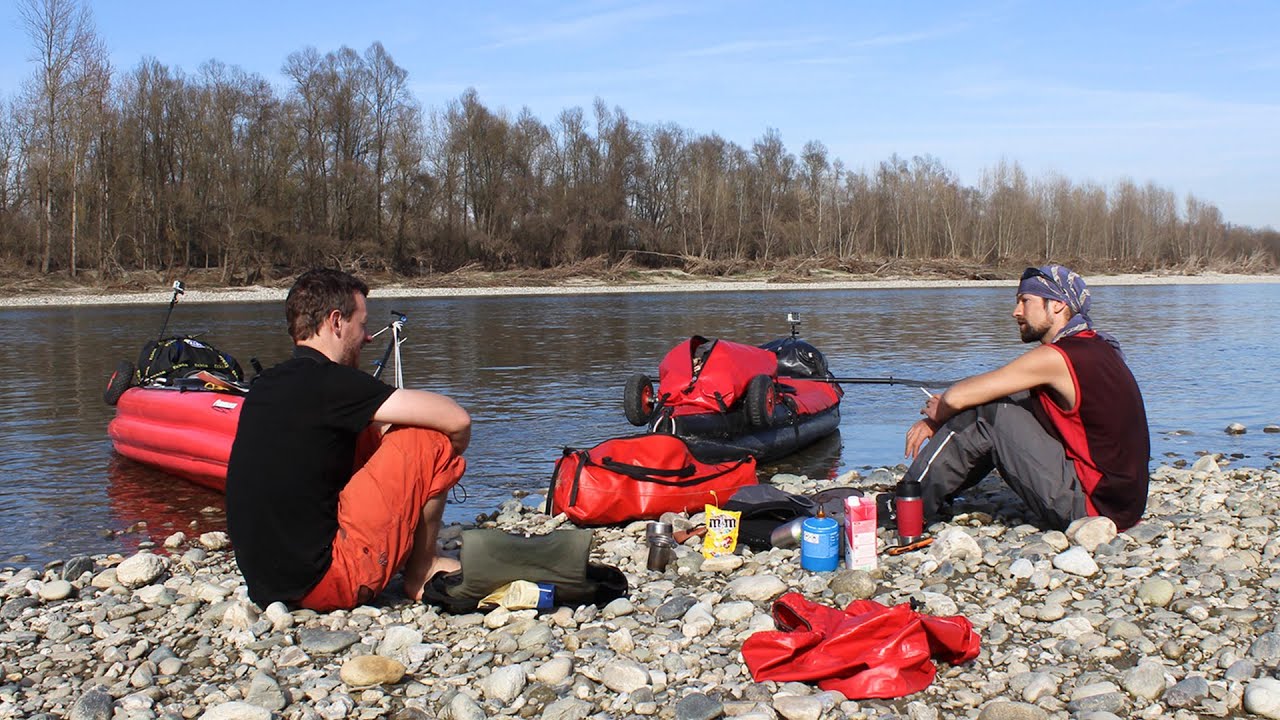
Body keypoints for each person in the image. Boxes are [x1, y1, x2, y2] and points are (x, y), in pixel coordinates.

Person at [226, 269, 471, 611]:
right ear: (336, 322)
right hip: (326, 582)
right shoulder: (333, 382)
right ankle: (422, 568)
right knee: (428, 437)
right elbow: (455, 419)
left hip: (266, 584)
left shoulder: (267, 384)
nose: (368, 337)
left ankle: (403, 546)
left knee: (370, 432)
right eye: (363, 324)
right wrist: (441, 464)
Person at [902, 264, 1149, 531]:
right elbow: (993, 390)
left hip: (1093, 509)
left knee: (989, 413)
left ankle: (905, 505)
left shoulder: (1058, 357)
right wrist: (950, 409)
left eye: (1025, 301)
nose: (1016, 311)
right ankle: (936, 494)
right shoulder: (1097, 346)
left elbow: (958, 397)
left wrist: (939, 415)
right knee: (999, 400)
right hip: (1124, 505)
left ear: (1056, 305)